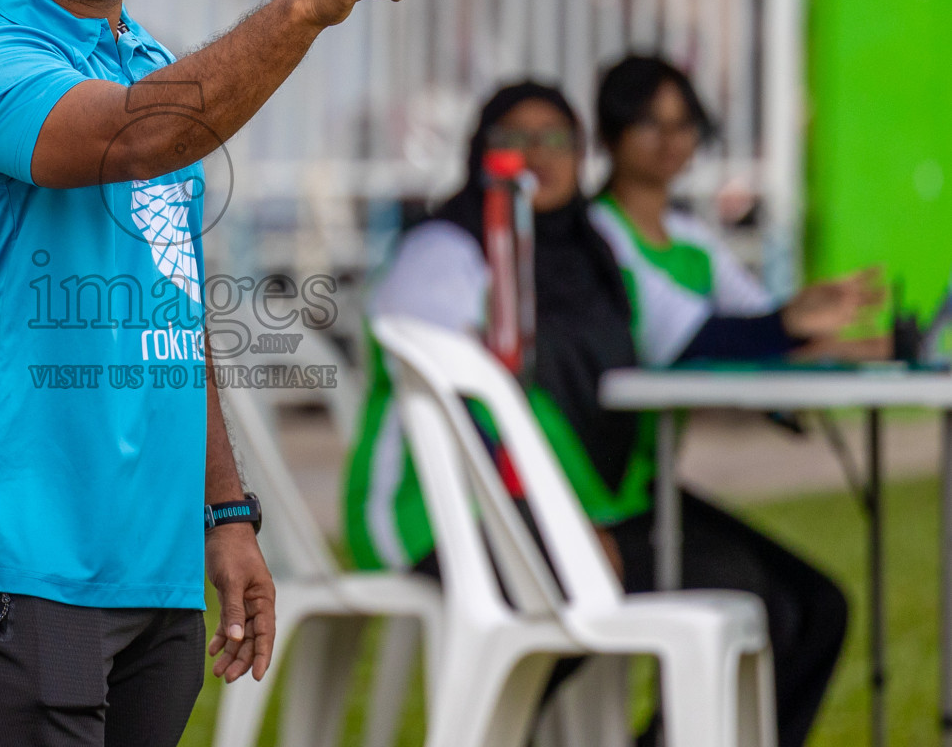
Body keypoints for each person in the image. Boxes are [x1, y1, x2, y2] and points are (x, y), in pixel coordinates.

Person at [0, 0, 433, 747]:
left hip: (151, 572)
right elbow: (131, 137)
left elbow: (170, 312)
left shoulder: (148, 63)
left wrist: (225, 513)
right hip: (15, 564)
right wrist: (303, 7)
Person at [346, 81, 855, 747]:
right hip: (443, 517)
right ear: (479, 154)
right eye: (514, 139)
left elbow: (695, 333)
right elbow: (446, 401)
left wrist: (789, 322)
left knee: (811, 607)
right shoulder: (448, 249)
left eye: (556, 138)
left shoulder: (600, 252)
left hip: (586, 507)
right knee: (707, 591)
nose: (537, 154)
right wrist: (551, 522)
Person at [591, 53, 883, 366]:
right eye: (649, 123)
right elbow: (688, 338)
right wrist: (788, 321)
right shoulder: (597, 232)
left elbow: (756, 322)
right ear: (610, 133)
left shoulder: (690, 238)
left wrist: (847, 342)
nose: (669, 140)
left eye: (682, 124)